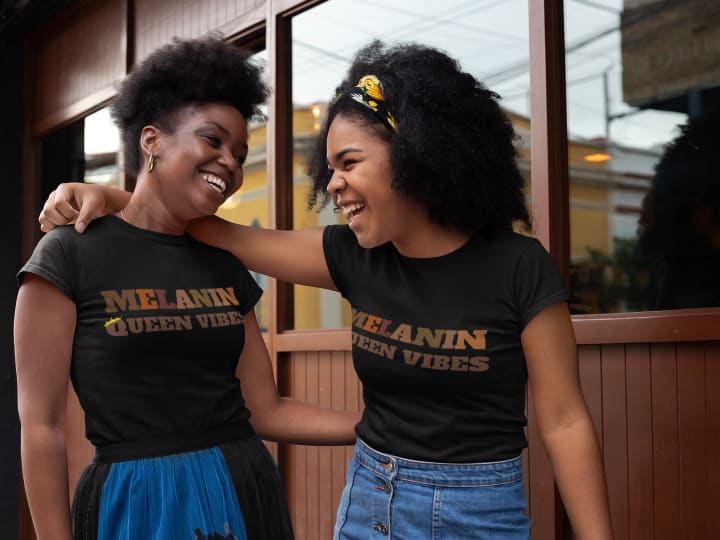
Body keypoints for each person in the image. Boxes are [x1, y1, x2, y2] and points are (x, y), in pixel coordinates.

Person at [38, 40, 614, 539]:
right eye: (330, 167)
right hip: (369, 499)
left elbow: (565, 421)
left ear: (417, 155)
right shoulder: (354, 256)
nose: (332, 184)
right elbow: (202, 223)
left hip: (476, 510)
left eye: (349, 162)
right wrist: (107, 196)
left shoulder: (519, 266)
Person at [16, 36, 359, 540]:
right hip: (136, 504)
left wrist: (377, 428)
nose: (230, 163)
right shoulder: (70, 253)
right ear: (151, 141)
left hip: (241, 489)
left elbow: (266, 409)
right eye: (213, 140)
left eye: (240, 154)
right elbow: (41, 428)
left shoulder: (224, 263)